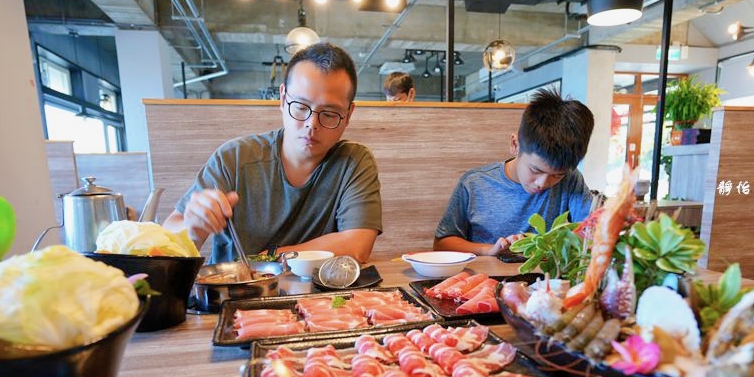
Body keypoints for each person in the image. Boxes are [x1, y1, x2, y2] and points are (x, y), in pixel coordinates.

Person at [163, 42, 382, 264]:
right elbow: (167, 240)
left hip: (316, 296)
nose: (311, 124)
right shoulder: (235, 158)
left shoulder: (353, 162)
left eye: (329, 113)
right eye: (300, 106)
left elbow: (357, 245)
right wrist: (193, 225)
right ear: (283, 98)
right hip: (233, 292)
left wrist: (265, 259)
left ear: (348, 114)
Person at [434, 89, 596, 256]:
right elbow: (442, 244)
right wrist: (489, 250)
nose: (542, 183)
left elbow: (593, 233)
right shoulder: (474, 183)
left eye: (557, 175)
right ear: (515, 145)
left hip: (543, 280)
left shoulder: (571, 179)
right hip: (484, 279)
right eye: (535, 170)